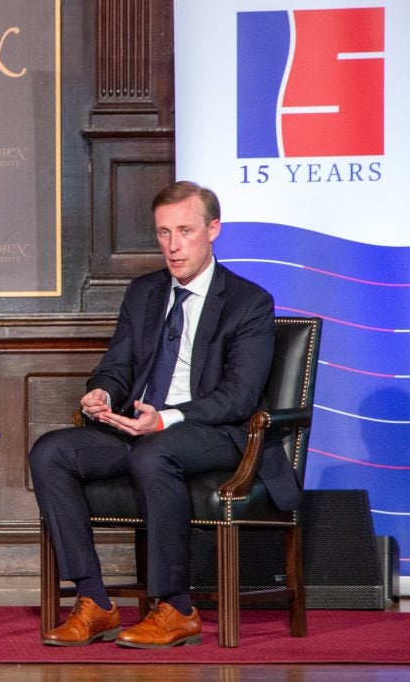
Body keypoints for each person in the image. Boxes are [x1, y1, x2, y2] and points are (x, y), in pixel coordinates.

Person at [29, 181, 300, 648]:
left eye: (185, 231)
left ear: (213, 229)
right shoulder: (144, 293)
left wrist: (166, 417)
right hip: (140, 427)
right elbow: (117, 367)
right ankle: (95, 602)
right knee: (51, 451)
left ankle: (176, 608)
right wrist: (100, 394)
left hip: (215, 431)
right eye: (163, 233)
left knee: (153, 453)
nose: (173, 246)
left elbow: (239, 396)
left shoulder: (248, 302)